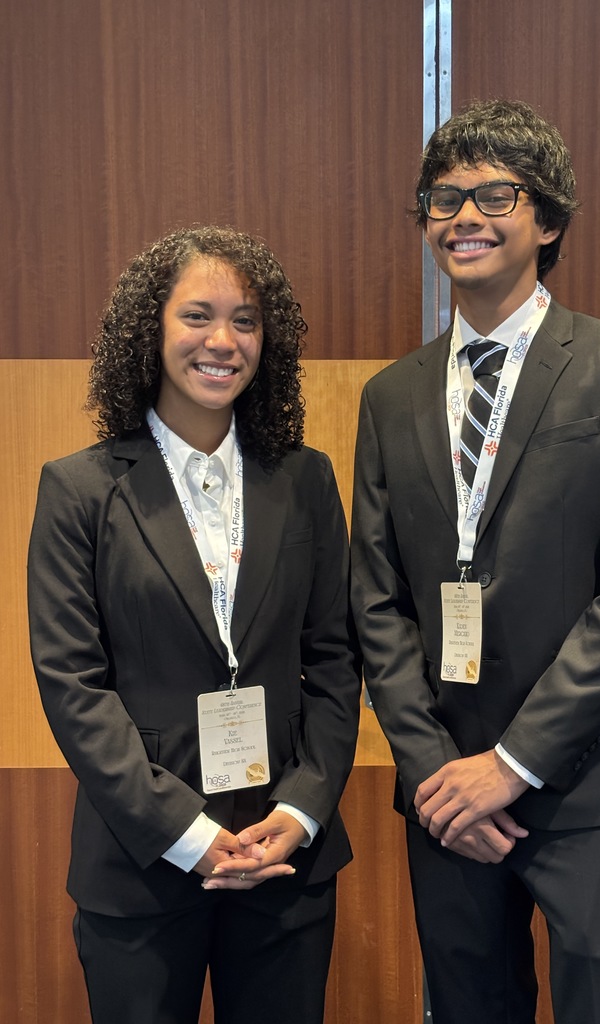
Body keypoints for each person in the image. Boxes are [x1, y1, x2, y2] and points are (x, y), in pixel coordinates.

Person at [351, 100, 600, 1024]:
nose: (465, 216)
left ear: (548, 221)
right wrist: (433, 772)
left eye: (495, 194)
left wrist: (513, 762)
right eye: (443, 197)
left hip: (590, 782)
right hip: (446, 798)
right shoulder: (390, 396)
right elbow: (375, 602)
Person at [28, 225, 361, 1024]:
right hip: (141, 865)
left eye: (246, 320)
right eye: (197, 316)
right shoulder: (80, 490)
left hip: (285, 860)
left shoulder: (305, 480)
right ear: (150, 330)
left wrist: (302, 809)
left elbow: (336, 660)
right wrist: (185, 831)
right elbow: (73, 686)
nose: (223, 341)